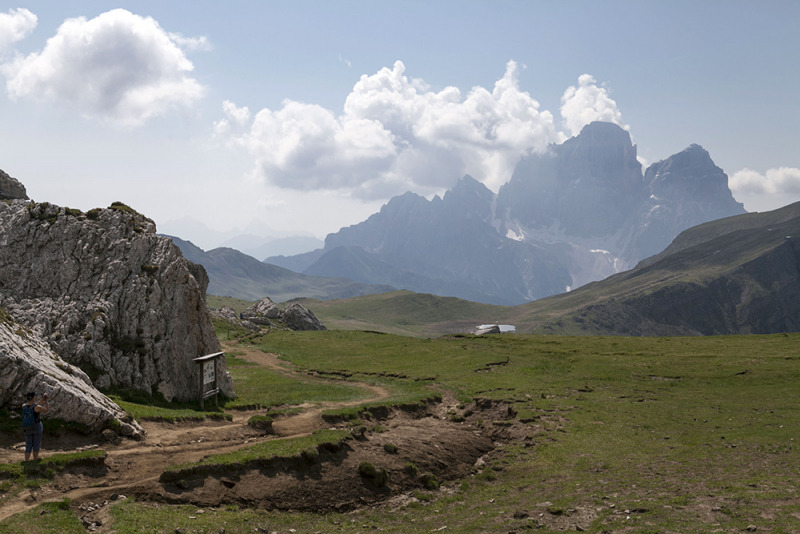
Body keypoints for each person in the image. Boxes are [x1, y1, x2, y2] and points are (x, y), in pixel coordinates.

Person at [21, 391, 49, 461]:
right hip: (36, 427)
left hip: (27, 427)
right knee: (36, 443)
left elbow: (32, 407)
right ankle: (35, 459)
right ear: (33, 398)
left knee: (28, 444)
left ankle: (26, 460)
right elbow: (46, 410)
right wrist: (46, 401)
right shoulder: (37, 407)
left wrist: (41, 400)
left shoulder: (23, 406)